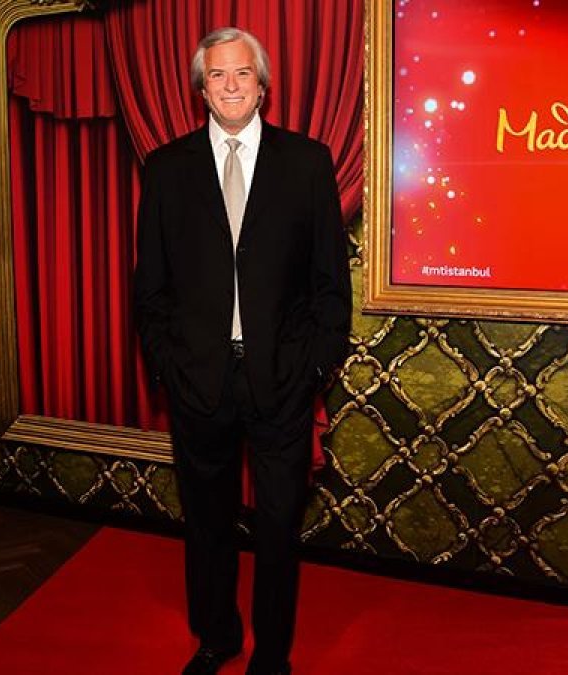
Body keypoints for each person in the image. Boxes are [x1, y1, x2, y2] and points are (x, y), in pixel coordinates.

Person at [133, 26, 352, 675]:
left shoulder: (307, 163)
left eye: (243, 74)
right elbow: (151, 289)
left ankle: (272, 654)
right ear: (201, 89)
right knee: (206, 522)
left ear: (263, 86)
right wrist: (169, 366)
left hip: (282, 379)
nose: (231, 86)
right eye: (217, 75)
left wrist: (314, 368)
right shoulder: (167, 169)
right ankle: (217, 637)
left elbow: (330, 285)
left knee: (280, 526)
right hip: (198, 380)